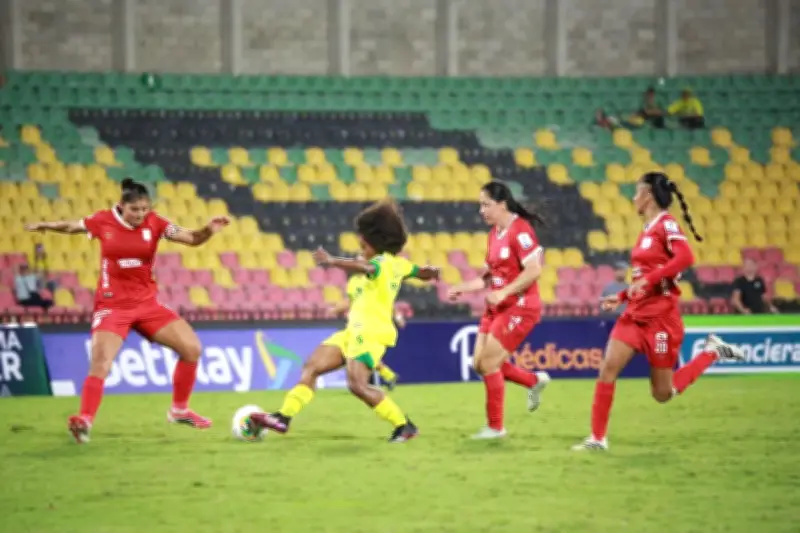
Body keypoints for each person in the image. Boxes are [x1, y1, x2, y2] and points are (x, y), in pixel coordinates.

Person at [24, 178, 230, 443]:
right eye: (135, 210)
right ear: (121, 206)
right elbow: (72, 226)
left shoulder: (156, 223)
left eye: (145, 209)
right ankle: (84, 421)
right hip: (113, 307)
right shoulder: (103, 220)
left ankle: (179, 410)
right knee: (101, 363)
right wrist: (47, 226)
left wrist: (209, 229)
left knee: (191, 349)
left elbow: (192, 238)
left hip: (147, 305)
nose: (140, 214)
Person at [572, 172, 744, 452]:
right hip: (634, 316)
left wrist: (649, 280)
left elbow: (686, 257)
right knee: (607, 369)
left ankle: (712, 352)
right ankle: (597, 439)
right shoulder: (646, 230)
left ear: (648, 195)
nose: (633, 198)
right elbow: (643, 277)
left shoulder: (667, 224)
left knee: (662, 393)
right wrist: (622, 296)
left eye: (636, 192)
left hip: (661, 323)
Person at [248, 199, 440, 443]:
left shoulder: (381, 264)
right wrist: (430, 273)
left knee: (358, 385)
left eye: (364, 245)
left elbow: (366, 267)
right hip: (352, 332)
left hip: (370, 333)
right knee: (312, 367)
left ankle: (404, 426)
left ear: (376, 243)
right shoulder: (399, 265)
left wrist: (332, 261)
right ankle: (283, 417)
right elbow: (419, 272)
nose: (361, 248)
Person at [447, 181, 551, 440]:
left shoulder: (520, 230)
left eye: (486, 205)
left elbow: (534, 269)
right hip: (497, 306)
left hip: (520, 307)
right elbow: (486, 278)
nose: (481, 210)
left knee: (489, 363)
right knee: (478, 364)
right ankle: (533, 381)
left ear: (502, 204)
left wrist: (504, 292)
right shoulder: (494, 233)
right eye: (480, 205)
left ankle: (495, 428)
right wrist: (462, 288)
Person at [328, 261, 405, 390]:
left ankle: (382, 376)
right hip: (358, 325)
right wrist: (335, 309)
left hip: (373, 325)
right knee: (359, 351)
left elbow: (388, 301)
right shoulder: (353, 281)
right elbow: (350, 300)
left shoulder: (375, 280)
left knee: (360, 350)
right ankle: (387, 375)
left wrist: (398, 316)